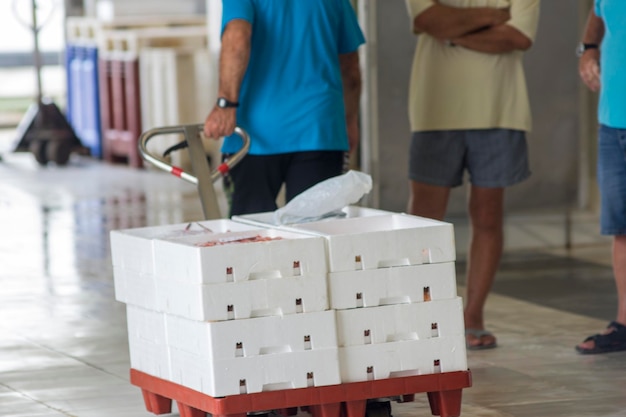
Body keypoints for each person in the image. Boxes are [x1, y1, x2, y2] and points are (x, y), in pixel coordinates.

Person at [404, 0, 540, 350]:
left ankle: (473, 316)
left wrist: (454, 31)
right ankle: (420, 312)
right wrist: (492, 17)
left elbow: (518, 36)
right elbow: (428, 19)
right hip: (435, 109)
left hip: (501, 110)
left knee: (488, 217)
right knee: (423, 220)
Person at [203, 0, 365, 217]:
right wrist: (349, 120)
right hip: (320, 128)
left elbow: (237, 38)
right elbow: (350, 67)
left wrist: (226, 104)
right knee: (315, 231)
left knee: (251, 235)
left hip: (254, 135)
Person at [576, 1, 626, 354]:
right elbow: (599, 12)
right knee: (620, 228)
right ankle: (625, 323)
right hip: (612, 119)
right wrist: (589, 49)